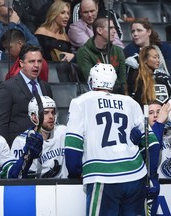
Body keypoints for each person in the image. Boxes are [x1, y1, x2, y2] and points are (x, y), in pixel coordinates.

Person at [65, 63, 160, 215]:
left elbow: (72, 149)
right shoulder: (130, 102)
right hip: (135, 175)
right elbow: (153, 144)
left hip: (103, 176)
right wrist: (153, 177)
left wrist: (75, 173)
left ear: (91, 81)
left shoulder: (80, 102)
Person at [0, 44, 53, 146]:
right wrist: (6, 151)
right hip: (19, 146)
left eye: (39, 61)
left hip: (45, 146)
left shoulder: (45, 87)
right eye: (32, 61)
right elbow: (1, 124)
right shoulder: (8, 87)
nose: (36, 65)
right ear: (21, 63)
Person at [11, 96, 68, 178]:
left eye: (52, 112)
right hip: (38, 188)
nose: (51, 116)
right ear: (34, 117)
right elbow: (13, 177)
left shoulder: (63, 132)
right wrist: (27, 157)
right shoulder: (21, 141)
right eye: (45, 113)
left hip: (64, 187)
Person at [76, 17, 126, 94]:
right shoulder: (84, 52)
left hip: (117, 94)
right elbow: (91, 79)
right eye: (111, 28)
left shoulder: (118, 51)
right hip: (95, 95)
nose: (115, 31)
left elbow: (123, 81)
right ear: (99, 30)